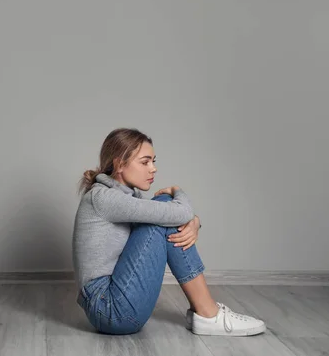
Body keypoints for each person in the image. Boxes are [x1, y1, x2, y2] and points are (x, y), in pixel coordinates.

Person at [72, 127, 266, 336]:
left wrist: (194, 221)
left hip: (112, 308)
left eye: (154, 161)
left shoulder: (126, 197)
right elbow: (175, 214)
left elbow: (170, 217)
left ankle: (207, 314)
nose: (153, 169)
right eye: (145, 162)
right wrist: (177, 191)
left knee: (164, 214)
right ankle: (208, 314)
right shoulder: (104, 198)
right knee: (165, 203)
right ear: (120, 164)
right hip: (110, 309)